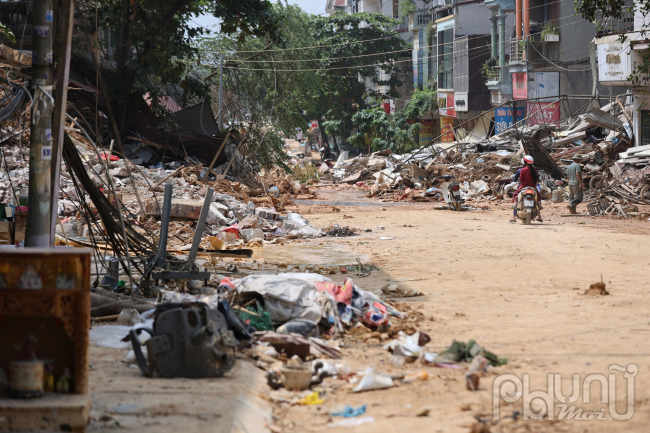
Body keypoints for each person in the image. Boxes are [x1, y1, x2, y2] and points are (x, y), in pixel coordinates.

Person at [510, 155, 543, 223]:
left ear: (525, 162)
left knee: (516, 195)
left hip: (523, 187)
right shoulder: (534, 170)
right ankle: (539, 215)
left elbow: (521, 180)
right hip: (533, 187)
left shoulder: (523, 170)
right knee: (538, 198)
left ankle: (514, 217)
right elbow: (536, 180)